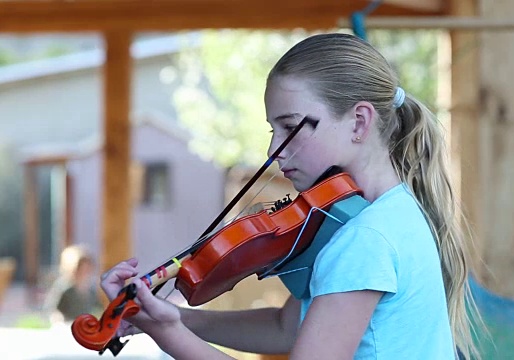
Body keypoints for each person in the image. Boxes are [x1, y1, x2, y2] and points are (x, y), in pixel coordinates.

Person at [100, 33, 480, 359]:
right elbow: (287, 326)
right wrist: (174, 319)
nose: (273, 150)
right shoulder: (390, 213)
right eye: (272, 129)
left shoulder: (365, 239)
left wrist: (170, 336)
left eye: (290, 127)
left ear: (360, 122)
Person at [45, 245, 102, 324]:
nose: (85, 272)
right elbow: (53, 311)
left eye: (87, 268)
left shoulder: (91, 291)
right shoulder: (64, 288)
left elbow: (98, 310)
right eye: (81, 268)